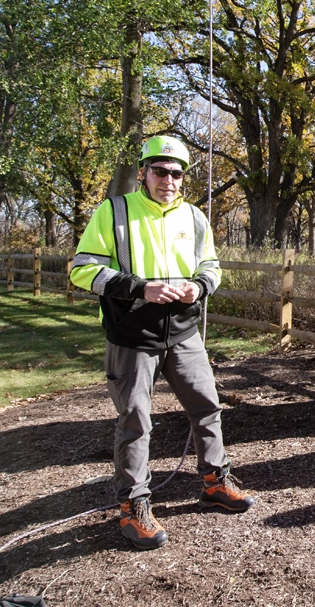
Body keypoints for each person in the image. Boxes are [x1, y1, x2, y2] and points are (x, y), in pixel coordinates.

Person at [71, 136, 254, 551]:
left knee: (207, 406)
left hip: (184, 334)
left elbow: (211, 265)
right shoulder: (114, 211)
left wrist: (199, 286)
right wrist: (140, 288)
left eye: (176, 173)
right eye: (159, 170)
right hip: (133, 337)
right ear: (143, 172)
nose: (168, 179)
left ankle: (214, 481)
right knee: (135, 420)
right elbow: (82, 270)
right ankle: (133, 506)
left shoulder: (194, 217)